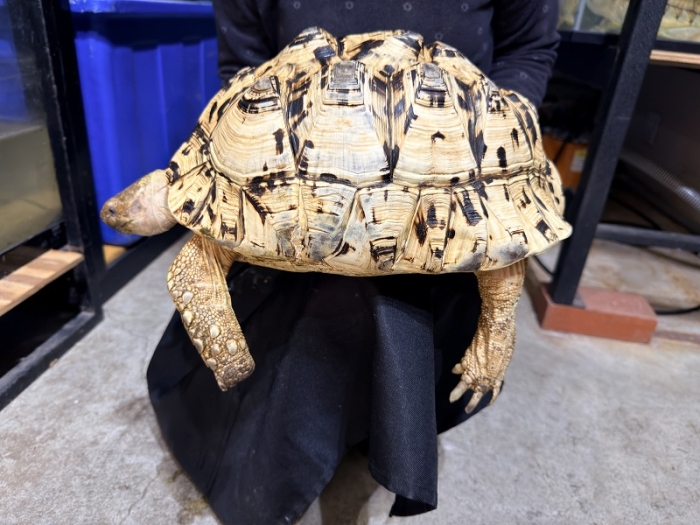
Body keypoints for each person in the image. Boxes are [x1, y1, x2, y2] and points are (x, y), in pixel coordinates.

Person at [147, 2, 560, 524]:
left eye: (126, 212)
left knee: (471, 283)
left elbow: (530, 48)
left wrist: (499, 126)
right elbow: (242, 65)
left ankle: (473, 354)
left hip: (448, 147)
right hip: (290, 148)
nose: (119, 218)